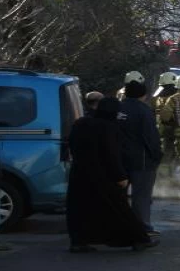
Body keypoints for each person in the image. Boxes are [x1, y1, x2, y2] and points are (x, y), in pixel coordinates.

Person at [66, 97, 157, 253]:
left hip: (79, 175)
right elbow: (111, 155)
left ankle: (78, 241)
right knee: (120, 209)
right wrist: (120, 176)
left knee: (81, 210)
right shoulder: (109, 128)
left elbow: (72, 146)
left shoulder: (81, 123)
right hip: (103, 176)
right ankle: (139, 239)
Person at [118, 81, 163, 235]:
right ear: (143, 95)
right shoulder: (144, 111)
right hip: (141, 160)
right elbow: (150, 137)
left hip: (118, 160)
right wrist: (157, 156)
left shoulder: (117, 108)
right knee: (141, 196)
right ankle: (142, 228)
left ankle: (120, 226)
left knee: (119, 195)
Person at [151, 72, 178, 180]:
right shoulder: (173, 95)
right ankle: (166, 177)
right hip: (170, 127)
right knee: (170, 153)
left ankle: (163, 176)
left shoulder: (158, 95)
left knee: (165, 152)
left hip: (160, 127)